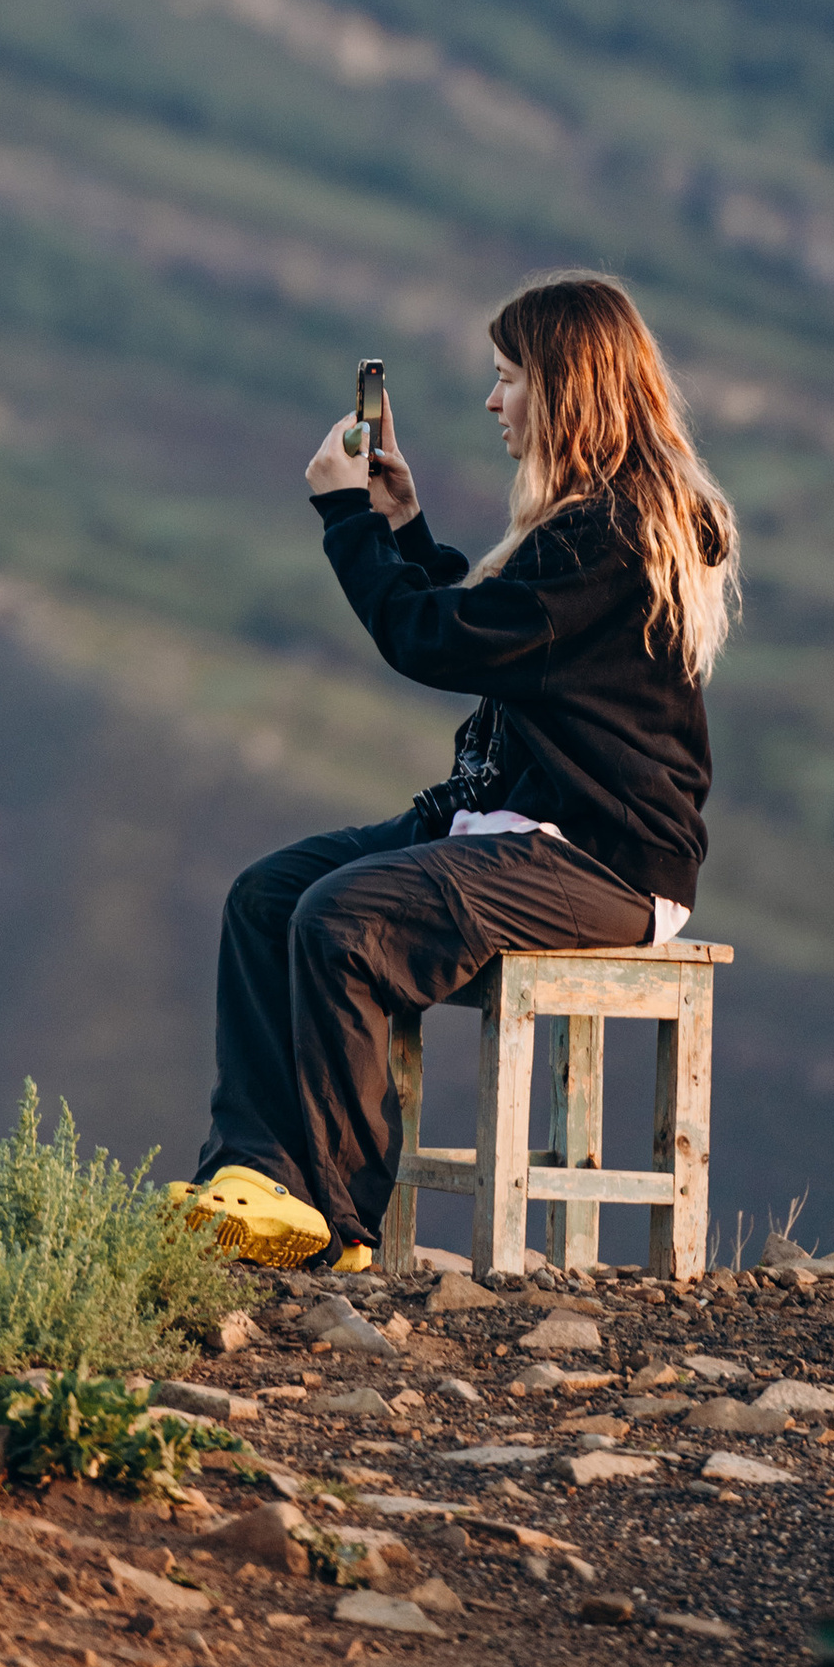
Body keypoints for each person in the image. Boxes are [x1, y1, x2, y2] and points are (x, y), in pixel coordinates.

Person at [169, 271, 738, 1272]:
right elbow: (486, 638)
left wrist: (347, 521)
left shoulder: (610, 537)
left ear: (565, 387)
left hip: (600, 864)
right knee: (269, 899)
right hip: (519, 834)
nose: (492, 402)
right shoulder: (591, 528)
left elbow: (437, 645)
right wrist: (401, 530)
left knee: (346, 920)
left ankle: (333, 1224)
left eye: (508, 377)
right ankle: (258, 1178)